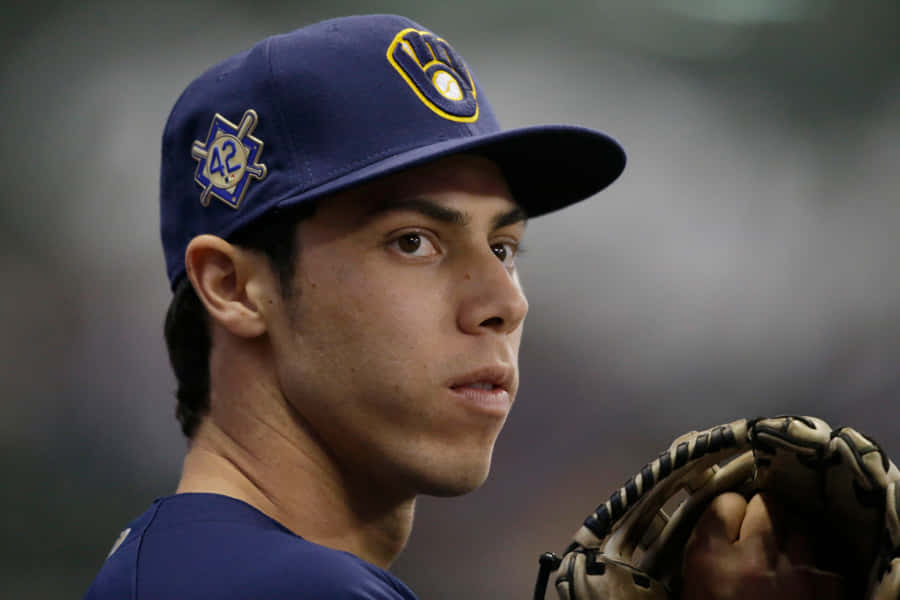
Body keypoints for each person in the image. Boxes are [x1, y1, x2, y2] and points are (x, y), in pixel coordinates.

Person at [83, 14, 841, 600]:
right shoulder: (283, 587)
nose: (503, 302)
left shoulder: (199, 564)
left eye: (504, 247)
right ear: (232, 286)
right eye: (414, 242)